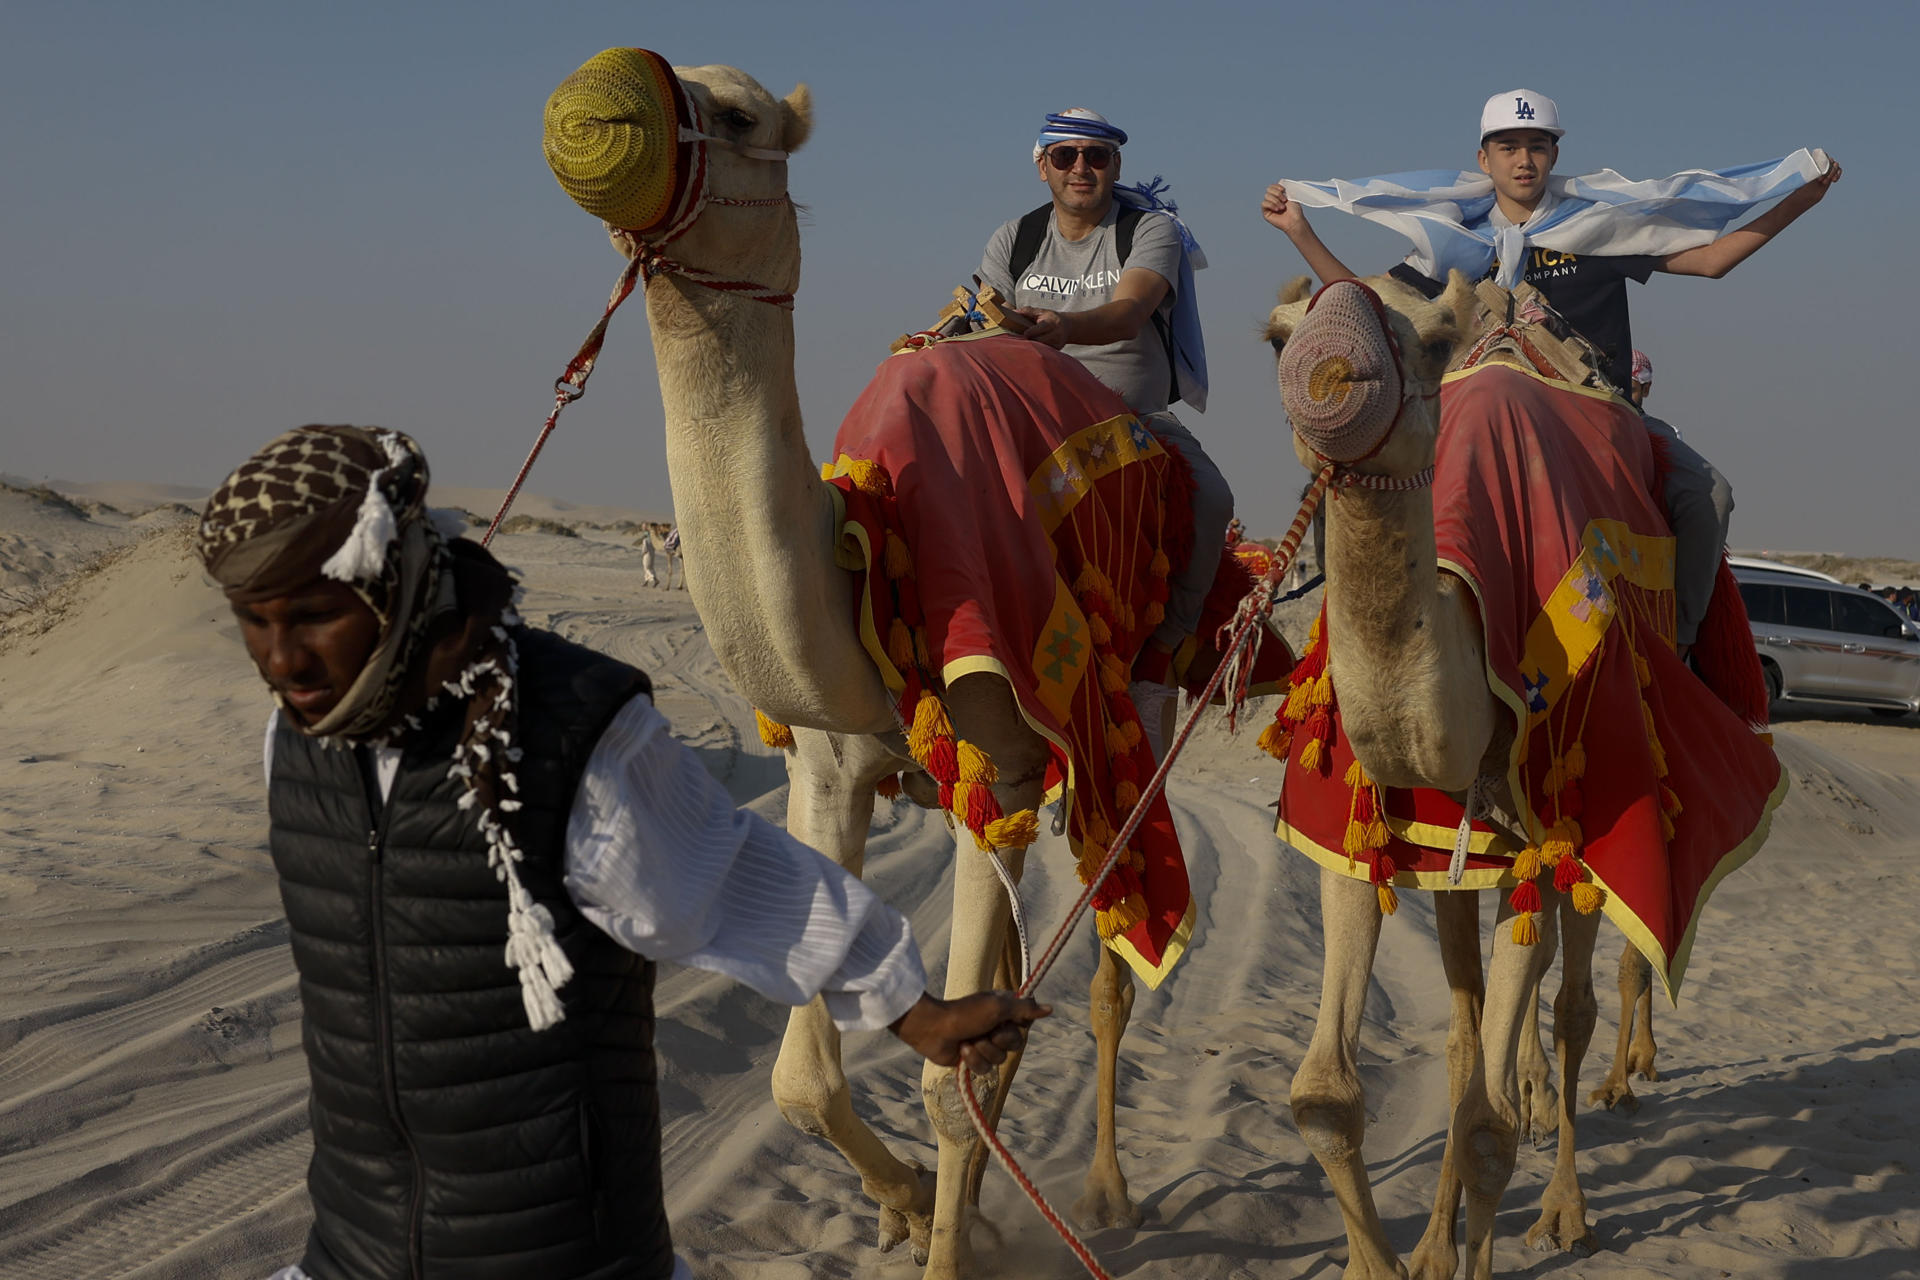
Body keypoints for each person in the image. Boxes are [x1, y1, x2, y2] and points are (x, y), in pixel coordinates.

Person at [195, 425, 1047, 1280]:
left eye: (313, 616)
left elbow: (741, 878)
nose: (281, 658)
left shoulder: (568, 731)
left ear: (395, 580)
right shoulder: (298, 744)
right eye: (253, 621)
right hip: (358, 1247)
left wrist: (915, 1011)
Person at [1262, 90, 1840, 652]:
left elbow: (1714, 261)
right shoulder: (1452, 245)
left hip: (1598, 408)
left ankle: (1680, 645)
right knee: (1355, 470)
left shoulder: (1599, 230)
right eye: (1508, 146)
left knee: (1709, 496)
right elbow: (1370, 305)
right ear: (1484, 158)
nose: (1523, 159)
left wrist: (1798, 201)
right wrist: (1300, 232)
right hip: (1476, 409)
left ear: (1555, 156)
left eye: (1536, 145)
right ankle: (1356, 644)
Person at [975, 108, 1233, 752]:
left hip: (1128, 416)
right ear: (1043, 167)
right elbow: (984, 317)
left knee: (1212, 500)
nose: (1082, 168)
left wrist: (1064, 328)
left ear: (1117, 165)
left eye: (1097, 156)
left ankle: (1163, 652)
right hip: (1033, 415)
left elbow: (1131, 310)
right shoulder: (1015, 237)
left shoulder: (1150, 230)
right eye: (1066, 157)